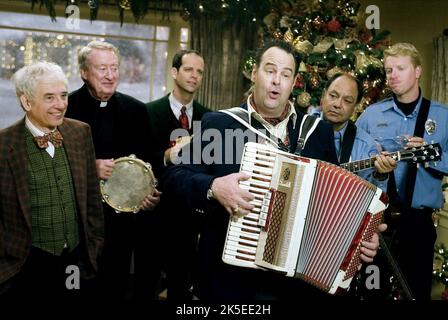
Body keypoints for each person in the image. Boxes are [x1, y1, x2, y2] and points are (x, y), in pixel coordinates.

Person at [162, 40, 384, 300]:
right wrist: (214, 187)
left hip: (296, 285)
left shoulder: (317, 132)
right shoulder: (220, 124)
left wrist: (360, 238)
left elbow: (334, 203)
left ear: (293, 83)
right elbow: (173, 178)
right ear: (255, 74)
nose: (277, 80)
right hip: (231, 282)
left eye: (286, 74)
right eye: (270, 70)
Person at [0, 61, 104, 301]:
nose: (61, 105)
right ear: (27, 102)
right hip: (25, 264)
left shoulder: (80, 133)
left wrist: (94, 246)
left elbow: (91, 197)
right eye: (49, 98)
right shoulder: (5, 145)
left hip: (75, 260)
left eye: (64, 95)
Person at [66, 40, 161, 301]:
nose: (110, 75)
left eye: (114, 68)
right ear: (84, 72)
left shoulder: (136, 110)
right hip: (78, 224)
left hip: (123, 226)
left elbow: (153, 160)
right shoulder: (65, 110)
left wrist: (153, 193)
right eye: (102, 69)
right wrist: (90, 165)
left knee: (115, 291)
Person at [356, 42, 448, 300]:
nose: (392, 75)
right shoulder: (371, 116)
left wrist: (431, 156)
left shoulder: (442, 116)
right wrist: (376, 168)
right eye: (388, 70)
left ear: (417, 71)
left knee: (416, 293)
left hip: (419, 223)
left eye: (400, 68)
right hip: (378, 221)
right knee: (372, 292)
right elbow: (353, 161)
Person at [146, 49, 210, 300]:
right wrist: (166, 156)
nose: (194, 76)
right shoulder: (148, 112)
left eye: (200, 72)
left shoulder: (210, 119)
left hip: (190, 220)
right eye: (188, 69)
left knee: (181, 290)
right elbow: (140, 160)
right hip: (153, 216)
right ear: (174, 72)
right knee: (145, 285)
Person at [320, 73, 397, 191]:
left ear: (356, 107)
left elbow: (371, 197)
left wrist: (380, 175)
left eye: (347, 100)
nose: (337, 104)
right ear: (323, 95)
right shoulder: (302, 128)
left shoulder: (366, 145)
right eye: (333, 95)